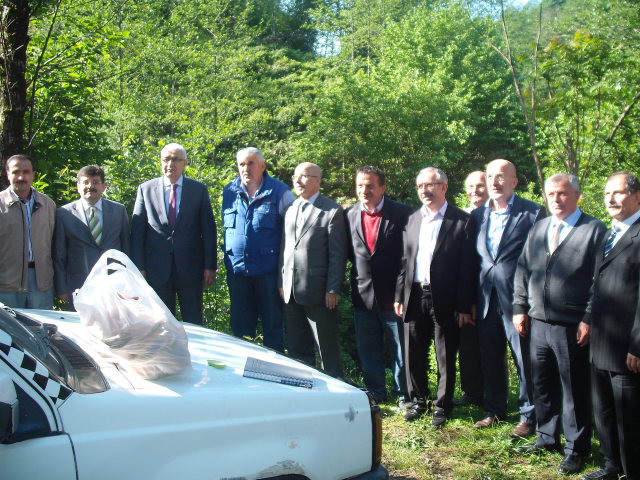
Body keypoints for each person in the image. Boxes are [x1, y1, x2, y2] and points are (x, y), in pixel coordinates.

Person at [513, 173, 605, 475]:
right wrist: (519, 307)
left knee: (574, 388)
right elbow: (523, 269)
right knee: (542, 383)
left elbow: (599, 281)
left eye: (563, 193)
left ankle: (576, 448)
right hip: (537, 321)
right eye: (551, 194)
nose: (556, 199)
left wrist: (588, 318)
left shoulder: (593, 230)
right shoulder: (540, 227)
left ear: (577, 196)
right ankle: (547, 437)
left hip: (571, 325)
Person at [394, 167, 476, 426]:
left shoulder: (462, 220)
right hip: (414, 294)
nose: (424, 191)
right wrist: (399, 295)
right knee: (414, 352)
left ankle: (442, 405)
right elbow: (405, 261)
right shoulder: (412, 219)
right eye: (420, 186)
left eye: (430, 185)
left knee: (445, 354)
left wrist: (464, 305)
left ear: (444, 187)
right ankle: (419, 401)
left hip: (446, 298)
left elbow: (468, 267)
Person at [471, 159, 545, 437]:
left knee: (524, 360)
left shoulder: (533, 213)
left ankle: (529, 415)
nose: (494, 182)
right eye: (490, 176)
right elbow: (473, 261)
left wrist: (525, 304)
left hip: (518, 302)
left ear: (514, 181)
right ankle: (495, 409)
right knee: (490, 357)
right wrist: (470, 301)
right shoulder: (477, 215)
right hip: (486, 300)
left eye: (501, 176)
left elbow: (539, 263)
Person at [581, 172, 640, 480]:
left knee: (628, 416)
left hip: (627, 346)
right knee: (603, 409)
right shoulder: (609, 234)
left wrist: (637, 345)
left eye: (617, 193)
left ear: (637, 196)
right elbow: (597, 283)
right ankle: (611, 466)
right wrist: (587, 319)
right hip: (601, 340)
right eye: (606, 194)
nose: (611, 199)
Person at [345, 166, 413, 404]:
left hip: (394, 297)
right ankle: (376, 393)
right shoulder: (349, 215)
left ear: (382, 188)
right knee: (368, 349)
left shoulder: (403, 213)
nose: (364, 190)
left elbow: (408, 257)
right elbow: (349, 254)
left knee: (400, 349)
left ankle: (404, 395)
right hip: (363, 295)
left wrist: (401, 294)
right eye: (360, 185)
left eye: (370, 186)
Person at [131, 143, 216, 325]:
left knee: (194, 322)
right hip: (156, 269)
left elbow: (208, 229)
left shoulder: (198, 190)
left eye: (176, 159)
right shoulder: (146, 189)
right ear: (161, 162)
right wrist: (139, 267)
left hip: (190, 268)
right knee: (161, 323)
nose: (171, 164)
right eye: (166, 159)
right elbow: (137, 231)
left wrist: (210, 266)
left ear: (185, 163)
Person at [222, 147, 294, 352]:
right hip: (238, 273)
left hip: (268, 275)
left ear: (263, 166)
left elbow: (293, 235)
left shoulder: (280, 192)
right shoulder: (230, 191)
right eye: (242, 164)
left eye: (251, 163)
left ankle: (274, 369)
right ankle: (243, 369)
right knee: (241, 330)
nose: (246, 168)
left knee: (273, 327)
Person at [279, 162, 347, 378]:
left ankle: (335, 387)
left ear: (318, 181)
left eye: (305, 176)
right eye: (296, 176)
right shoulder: (292, 209)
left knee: (326, 348)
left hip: (319, 293)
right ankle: (303, 387)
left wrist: (333, 288)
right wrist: (282, 281)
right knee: (297, 348)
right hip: (291, 291)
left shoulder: (332, 210)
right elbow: (285, 248)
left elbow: (337, 255)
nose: (298, 181)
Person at [54, 165, 130, 305]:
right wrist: (61, 288)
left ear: (103, 186)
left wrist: (128, 282)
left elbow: (126, 248)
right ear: (78, 186)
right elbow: (59, 254)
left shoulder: (119, 211)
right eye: (85, 182)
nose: (90, 186)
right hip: (79, 285)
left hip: (114, 285)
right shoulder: (64, 214)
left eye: (95, 182)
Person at [0, 154, 56, 309]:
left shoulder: (48, 205)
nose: (21, 177)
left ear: (33, 174)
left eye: (26, 172)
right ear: (7, 173)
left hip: (40, 283)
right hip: (6, 284)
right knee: (8, 325)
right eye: (16, 172)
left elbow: (55, 246)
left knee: (41, 324)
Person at [455, 170, 489, 407]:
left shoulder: (495, 216)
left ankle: (494, 394)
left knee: (491, 347)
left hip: (490, 292)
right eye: (470, 186)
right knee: (467, 345)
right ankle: (472, 392)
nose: (474, 191)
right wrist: (465, 300)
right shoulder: (462, 217)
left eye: (479, 186)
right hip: (465, 293)